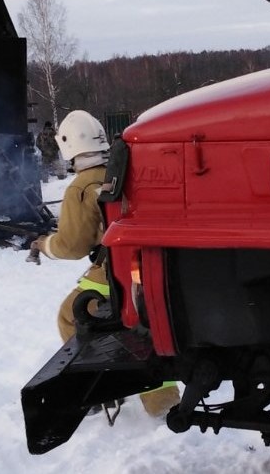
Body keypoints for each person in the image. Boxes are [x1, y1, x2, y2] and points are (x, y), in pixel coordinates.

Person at [30, 110, 181, 418]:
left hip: (116, 267)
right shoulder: (125, 169)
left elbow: (72, 246)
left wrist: (43, 244)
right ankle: (163, 406)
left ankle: (96, 393)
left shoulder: (81, 186)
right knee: (144, 330)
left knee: (72, 317)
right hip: (150, 262)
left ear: (69, 146)